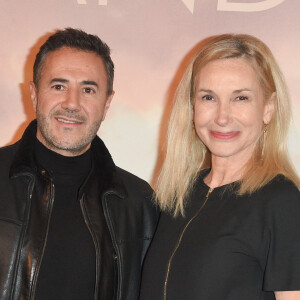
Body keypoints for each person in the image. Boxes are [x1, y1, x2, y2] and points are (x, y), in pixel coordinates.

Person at [0, 28, 158, 300]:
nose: (72, 103)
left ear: (107, 103)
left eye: (88, 89)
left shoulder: (139, 204)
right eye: (59, 86)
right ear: (34, 94)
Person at [139, 34, 300, 300]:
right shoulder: (180, 195)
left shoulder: (282, 201)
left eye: (241, 98)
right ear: (192, 106)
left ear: (268, 108)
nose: (222, 117)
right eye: (209, 98)